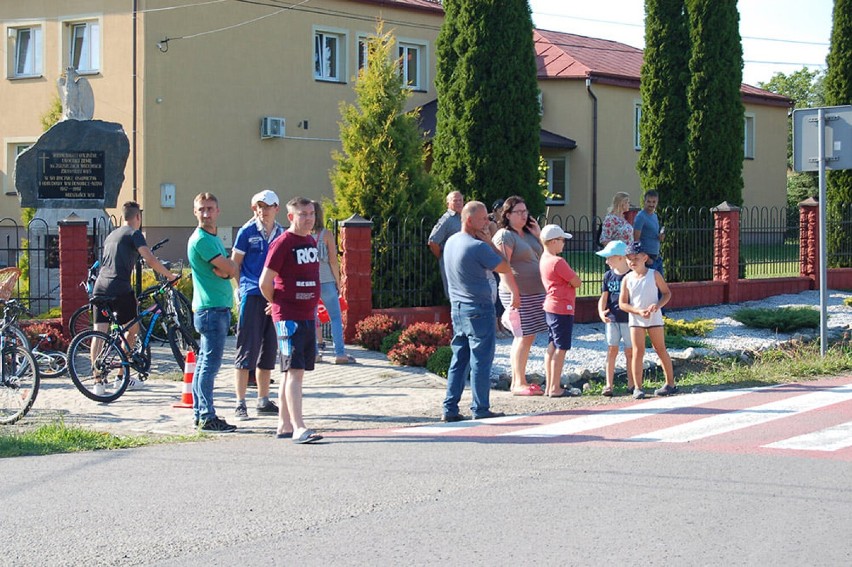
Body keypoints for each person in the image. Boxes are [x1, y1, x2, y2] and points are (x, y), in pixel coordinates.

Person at [441, 201, 516, 422]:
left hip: (458, 307)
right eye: (483, 219)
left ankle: (450, 407)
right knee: (481, 361)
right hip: (479, 309)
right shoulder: (478, 247)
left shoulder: (452, 242)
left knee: (459, 359)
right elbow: (504, 267)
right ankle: (480, 407)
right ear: (470, 220)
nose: (488, 222)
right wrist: (490, 244)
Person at [92, 201, 177, 391]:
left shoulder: (111, 235)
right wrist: (170, 276)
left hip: (100, 286)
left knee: (99, 332)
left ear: (123, 216)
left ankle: (97, 381)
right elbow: (149, 258)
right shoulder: (134, 234)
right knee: (132, 330)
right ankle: (121, 378)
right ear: (137, 217)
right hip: (119, 287)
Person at [260, 197, 323, 444]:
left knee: (291, 372)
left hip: (307, 315)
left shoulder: (309, 241)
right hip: (289, 318)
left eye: (310, 213)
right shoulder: (283, 243)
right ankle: (299, 427)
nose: (308, 218)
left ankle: (284, 425)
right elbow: (265, 282)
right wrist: (277, 303)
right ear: (291, 217)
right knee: (294, 371)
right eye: (302, 214)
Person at [188, 193, 240, 432]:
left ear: (218, 211)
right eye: (202, 209)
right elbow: (231, 267)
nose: (206, 213)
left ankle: (200, 413)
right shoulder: (202, 240)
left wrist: (227, 269)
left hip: (212, 307)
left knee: (203, 364)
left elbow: (228, 268)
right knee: (209, 364)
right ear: (195, 212)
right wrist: (228, 269)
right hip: (211, 309)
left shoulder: (212, 237)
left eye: (210, 208)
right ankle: (207, 415)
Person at [230, 190, 284, 421]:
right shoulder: (247, 231)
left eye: (267, 206)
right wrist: (240, 289)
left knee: (269, 349)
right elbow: (235, 263)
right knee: (246, 349)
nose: (263, 210)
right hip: (252, 293)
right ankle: (240, 402)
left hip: (274, 297)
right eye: (259, 206)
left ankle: (263, 399)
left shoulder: (282, 234)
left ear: (276, 209)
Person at [493, 195, 547, 396]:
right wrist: (514, 292)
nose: (524, 215)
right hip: (517, 293)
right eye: (519, 212)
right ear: (507, 215)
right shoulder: (504, 236)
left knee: (528, 336)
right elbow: (502, 266)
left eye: (525, 211)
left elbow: (544, 256)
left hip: (534, 293)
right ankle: (517, 383)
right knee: (522, 336)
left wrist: (539, 235)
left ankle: (519, 380)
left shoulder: (528, 234)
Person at [618, 242, 676, 400]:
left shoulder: (654, 274)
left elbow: (666, 294)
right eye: (629, 259)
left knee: (660, 349)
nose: (632, 262)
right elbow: (622, 303)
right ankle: (638, 387)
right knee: (637, 352)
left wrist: (657, 306)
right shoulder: (627, 279)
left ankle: (670, 383)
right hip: (636, 320)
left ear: (645, 257)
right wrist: (637, 311)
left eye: (636, 258)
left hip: (654, 318)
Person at [539, 224, 582, 398]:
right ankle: (555, 387)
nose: (563, 243)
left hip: (550, 306)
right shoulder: (557, 261)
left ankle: (550, 385)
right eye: (562, 240)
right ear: (553, 241)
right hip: (562, 307)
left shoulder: (544, 259)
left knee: (552, 345)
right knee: (560, 348)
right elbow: (577, 281)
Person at [313, 200, 355, 365]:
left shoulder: (303, 235)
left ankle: (314, 353)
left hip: (310, 282)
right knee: (336, 318)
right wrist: (338, 281)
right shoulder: (326, 234)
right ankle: (339, 353)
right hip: (327, 280)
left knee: (310, 317)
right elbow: (333, 260)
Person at [596, 240, 634, 397]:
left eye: (609, 257)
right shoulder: (608, 276)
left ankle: (632, 383)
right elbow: (604, 296)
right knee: (612, 350)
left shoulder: (632, 276)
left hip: (629, 319)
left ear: (619, 257)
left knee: (630, 351)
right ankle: (608, 384)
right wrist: (600, 311)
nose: (606, 261)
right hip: (612, 319)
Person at [428, 190, 464, 298]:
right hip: (451, 261)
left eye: (460, 200)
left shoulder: (463, 217)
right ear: (448, 204)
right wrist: (442, 257)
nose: (458, 203)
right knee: (455, 293)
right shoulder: (447, 219)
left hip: (463, 261)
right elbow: (433, 241)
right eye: (455, 200)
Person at [633, 189, 665, 275]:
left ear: (657, 202)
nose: (651, 204)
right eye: (649, 201)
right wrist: (645, 258)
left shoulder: (655, 216)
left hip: (656, 257)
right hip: (648, 258)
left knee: (660, 285)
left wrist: (660, 236)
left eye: (654, 202)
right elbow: (636, 239)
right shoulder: (641, 216)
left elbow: (652, 234)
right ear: (644, 202)